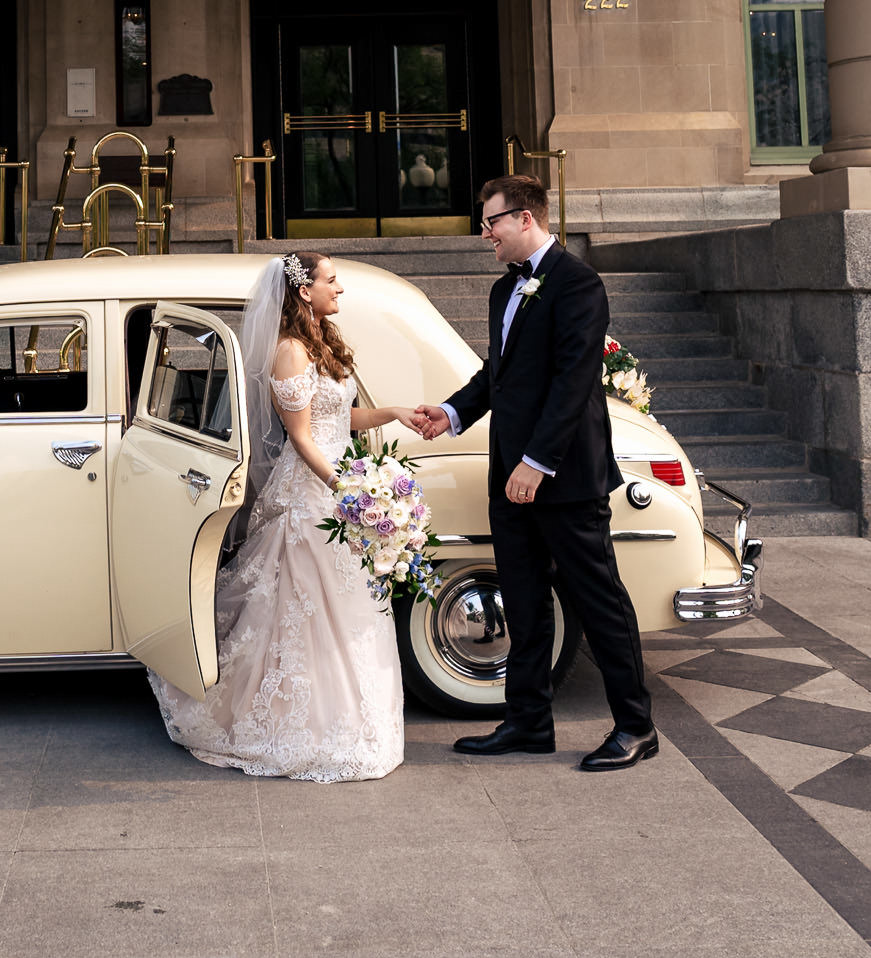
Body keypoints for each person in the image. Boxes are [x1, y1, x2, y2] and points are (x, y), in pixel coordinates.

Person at [149, 251, 429, 782]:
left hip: (340, 485)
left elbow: (338, 419)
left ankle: (354, 721)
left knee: (348, 608)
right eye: (331, 280)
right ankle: (292, 721)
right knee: (300, 610)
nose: (339, 288)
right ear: (304, 291)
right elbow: (300, 437)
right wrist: (345, 490)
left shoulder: (321, 344)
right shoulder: (288, 351)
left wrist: (393, 413)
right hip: (312, 495)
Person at [411, 174, 656, 772]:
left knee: (599, 602)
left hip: (564, 478)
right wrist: (450, 413)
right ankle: (527, 721)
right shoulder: (504, 290)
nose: (484, 232)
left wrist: (536, 463)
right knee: (522, 602)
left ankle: (636, 727)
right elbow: (500, 373)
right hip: (509, 476)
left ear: (525, 218)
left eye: (491, 221)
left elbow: (573, 384)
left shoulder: (580, 284)